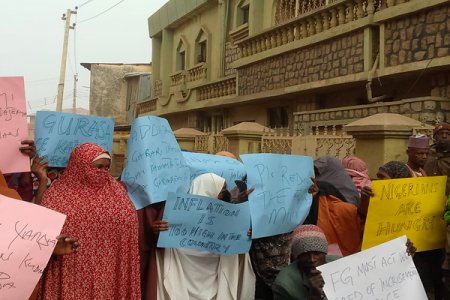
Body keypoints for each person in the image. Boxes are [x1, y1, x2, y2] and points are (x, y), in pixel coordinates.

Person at [38, 143, 141, 300]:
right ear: (79, 167)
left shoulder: (117, 192)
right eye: (98, 167)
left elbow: (129, 225)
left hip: (108, 269)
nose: (103, 172)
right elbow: (41, 232)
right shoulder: (56, 195)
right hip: (71, 268)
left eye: (107, 168)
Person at [156, 173, 255, 300]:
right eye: (222, 190)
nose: (225, 195)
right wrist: (158, 231)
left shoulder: (227, 221)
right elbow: (164, 249)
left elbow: (236, 249)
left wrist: (244, 234)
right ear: (209, 191)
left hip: (217, 284)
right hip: (182, 280)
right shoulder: (177, 220)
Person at [362, 159, 445, 300]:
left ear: (397, 179)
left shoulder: (421, 203)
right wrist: (364, 199)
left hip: (419, 266)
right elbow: (363, 220)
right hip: (387, 269)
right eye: (377, 175)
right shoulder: (376, 202)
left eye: (382, 177)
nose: (377, 180)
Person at [272, 225, 417, 300]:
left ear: (325, 252)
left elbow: (375, 278)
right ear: (296, 256)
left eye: (317, 253)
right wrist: (314, 295)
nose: (312, 260)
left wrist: (402, 256)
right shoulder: (284, 284)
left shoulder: (339, 264)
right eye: (304, 255)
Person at [424, 123, 450, 300]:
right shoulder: (428, 155)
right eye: (440, 134)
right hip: (428, 205)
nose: (444, 136)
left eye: (448, 133)